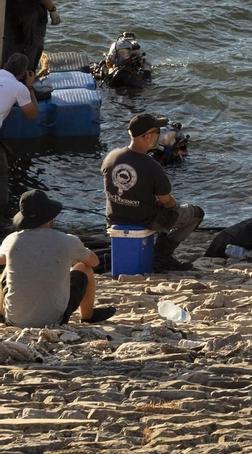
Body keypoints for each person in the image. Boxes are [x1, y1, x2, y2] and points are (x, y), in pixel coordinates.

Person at [102, 114, 204, 272]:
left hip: (114, 217)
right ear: (147, 136)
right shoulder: (152, 166)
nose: (159, 136)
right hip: (144, 220)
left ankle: (159, 252)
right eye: (158, 132)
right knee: (195, 213)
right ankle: (161, 254)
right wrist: (172, 204)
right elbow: (167, 202)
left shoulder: (111, 157)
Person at [0, 189, 115, 327]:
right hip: (55, 320)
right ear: (50, 217)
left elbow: (2, 260)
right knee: (85, 268)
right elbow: (94, 262)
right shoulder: (68, 241)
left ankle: (1, 313)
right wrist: (71, 258)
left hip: (15, 320)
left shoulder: (11, 240)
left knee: (7, 269)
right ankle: (87, 316)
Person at [0, 54, 39, 216]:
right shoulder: (19, 88)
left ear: (4, 64)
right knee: (1, 179)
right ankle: (3, 218)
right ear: (23, 74)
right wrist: (30, 87)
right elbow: (32, 115)